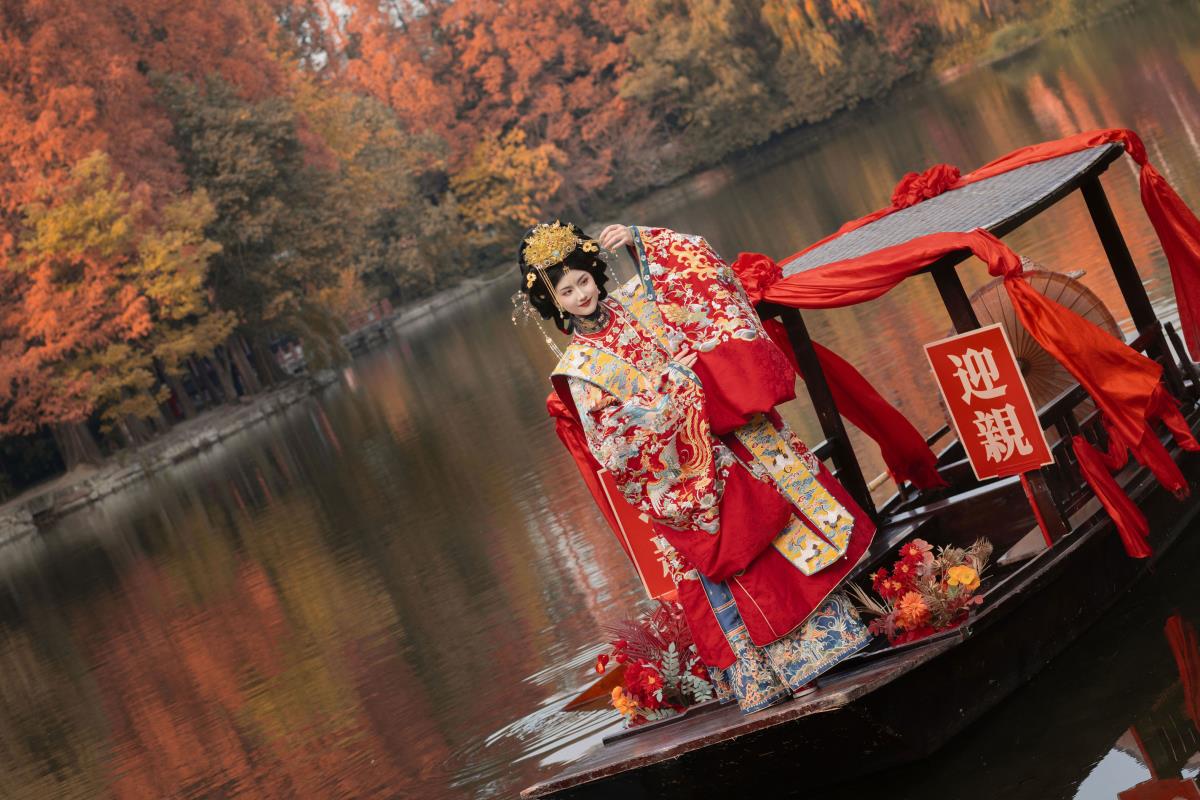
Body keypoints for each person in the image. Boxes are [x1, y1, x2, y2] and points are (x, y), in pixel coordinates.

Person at [521, 220, 874, 713]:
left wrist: (644, 242)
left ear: (595, 272)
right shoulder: (579, 369)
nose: (581, 295)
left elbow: (703, 279)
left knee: (782, 530)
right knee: (740, 563)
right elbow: (615, 446)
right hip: (682, 476)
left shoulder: (639, 302)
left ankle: (837, 637)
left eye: (583, 280)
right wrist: (675, 398)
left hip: (730, 440)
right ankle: (778, 677)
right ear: (554, 303)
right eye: (567, 291)